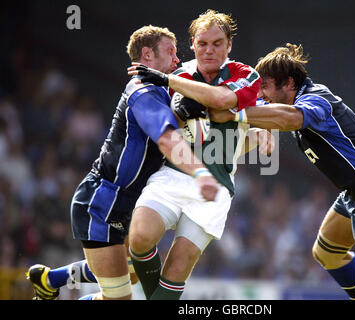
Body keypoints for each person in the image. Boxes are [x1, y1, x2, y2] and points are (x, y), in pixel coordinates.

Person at [208, 43, 355, 300]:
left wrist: (236, 114)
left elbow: (289, 119)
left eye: (264, 86)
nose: (260, 94)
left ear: (288, 83)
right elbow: (264, 114)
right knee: (327, 252)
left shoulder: (317, 98)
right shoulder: (289, 100)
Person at [26, 25, 219, 300]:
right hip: (102, 205)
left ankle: (49, 279)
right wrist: (201, 173)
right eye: (171, 52)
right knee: (118, 296)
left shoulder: (166, 91)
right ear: (147, 56)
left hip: (128, 206)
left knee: (127, 273)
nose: (177, 60)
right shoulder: (143, 89)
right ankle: (49, 280)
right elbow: (166, 139)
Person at [125, 10, 272, 300]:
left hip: (215, 186)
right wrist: (179, 111)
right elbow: (164, 125)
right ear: (192, 44)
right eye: (202, 43)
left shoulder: (246, 75)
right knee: (139, 238)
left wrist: (259, 135)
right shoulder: (179, 73)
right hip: (173, 175)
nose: (209, 50)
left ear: (229, 45)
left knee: (177, 267)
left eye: (217, 43)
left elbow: (221, 101)